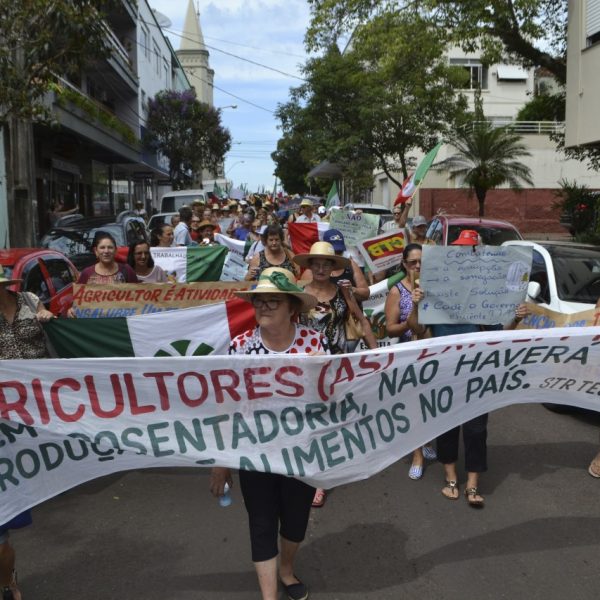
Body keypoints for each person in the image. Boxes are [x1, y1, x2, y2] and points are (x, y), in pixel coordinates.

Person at [210, 267, 327, 600]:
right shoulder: (240, 347)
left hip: (301, 452)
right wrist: (221, 461)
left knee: (294, 521)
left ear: (291, 308)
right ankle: (269, 595)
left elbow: (334, 394)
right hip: (255, 452)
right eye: (258, 301)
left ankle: (287, 570)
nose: (262, 307)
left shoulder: (314, 343)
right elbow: (226, 405)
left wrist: (324, 372)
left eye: (271, 302)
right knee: (261, 523)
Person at [409, 229, 530, 507]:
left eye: (472, 251)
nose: (467, 257)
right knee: (447, 424)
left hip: (478, 370)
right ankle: (450, 477)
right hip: (445, 368)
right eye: (462, 251)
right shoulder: (435, 286)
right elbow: (417, 329)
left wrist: (517, 318)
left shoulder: (491, 291)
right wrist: (416, 306)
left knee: (477, 428)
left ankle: (473, 484)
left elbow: (502, 335)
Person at [294, 241, 377, 507]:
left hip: (337, 366)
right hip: (306, 368)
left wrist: (379, 356)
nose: (320, 268)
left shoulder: (343, 292)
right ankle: (313, 474)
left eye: (325, 263)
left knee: (331, 418)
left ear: (333, 268)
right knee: (310, 420)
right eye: (315, 263)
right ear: (309, 267)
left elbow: (361, 321)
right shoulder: (299, 293)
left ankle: (322, 474)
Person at [0, 265, 55, 600]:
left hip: (40, 399)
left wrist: (49, 314)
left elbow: (55, 320)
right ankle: (8, 578)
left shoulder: (30, 300)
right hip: (5, 406)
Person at [384, 243, 437, 479]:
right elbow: (390, 328)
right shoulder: (397, 291)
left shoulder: (438, 286)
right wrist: (411, 320)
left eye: (422, 261)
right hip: (410, 355)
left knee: (430, 403)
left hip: (435, 354)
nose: (418, 266)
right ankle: (417, 454)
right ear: (404, 264)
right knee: (414, 405)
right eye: (413, 262)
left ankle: (425, 441)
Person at [301, 229, 370, 303]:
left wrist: (350, 289)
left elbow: (366, 293)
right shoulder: (311, 272)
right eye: (333, 251)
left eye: (339, 251)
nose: (336, 255)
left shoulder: (350, 265)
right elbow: (304, 297)